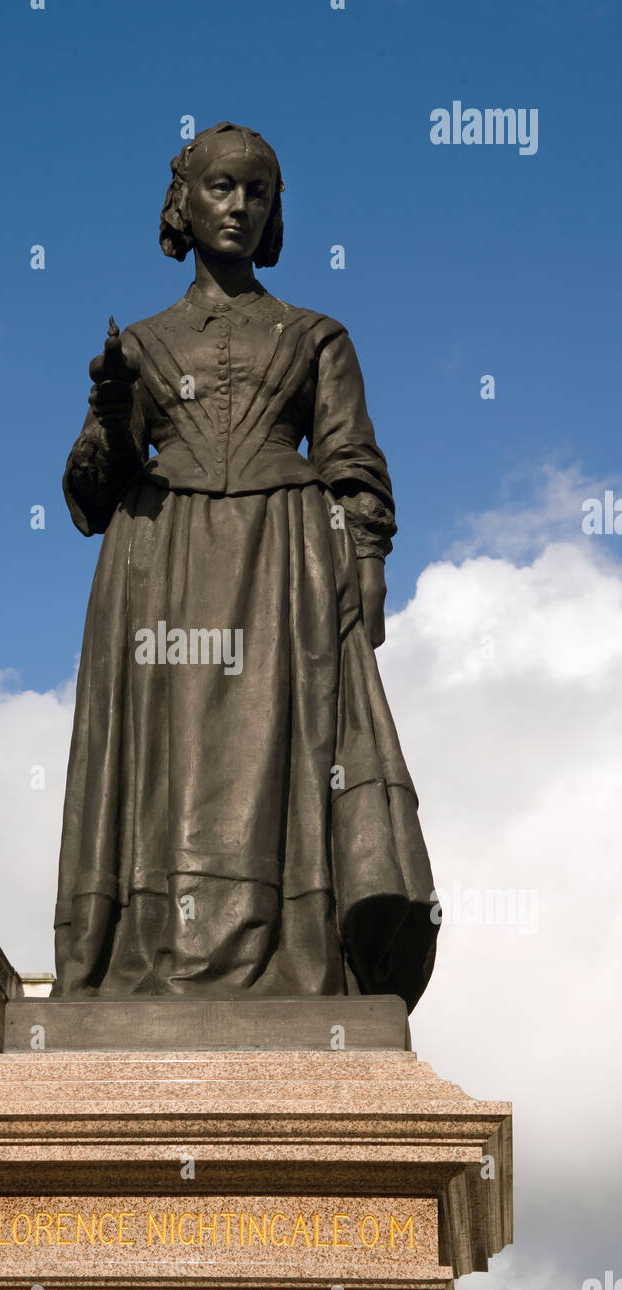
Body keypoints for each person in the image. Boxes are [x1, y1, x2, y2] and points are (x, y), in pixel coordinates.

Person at [52, 122, 438, 1010]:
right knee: (167, 764)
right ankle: (148, 956)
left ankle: (296, 958)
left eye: (257, 192)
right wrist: (112, 411)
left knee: (285, 756)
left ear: (274, 214)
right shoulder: (142, 346)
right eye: (220, 188)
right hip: (162, 559)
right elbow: (88, 496)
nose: (238, 206)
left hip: (286, 562)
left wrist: (366, 564)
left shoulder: (315, 336)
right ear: (182, 203)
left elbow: (353, 460)